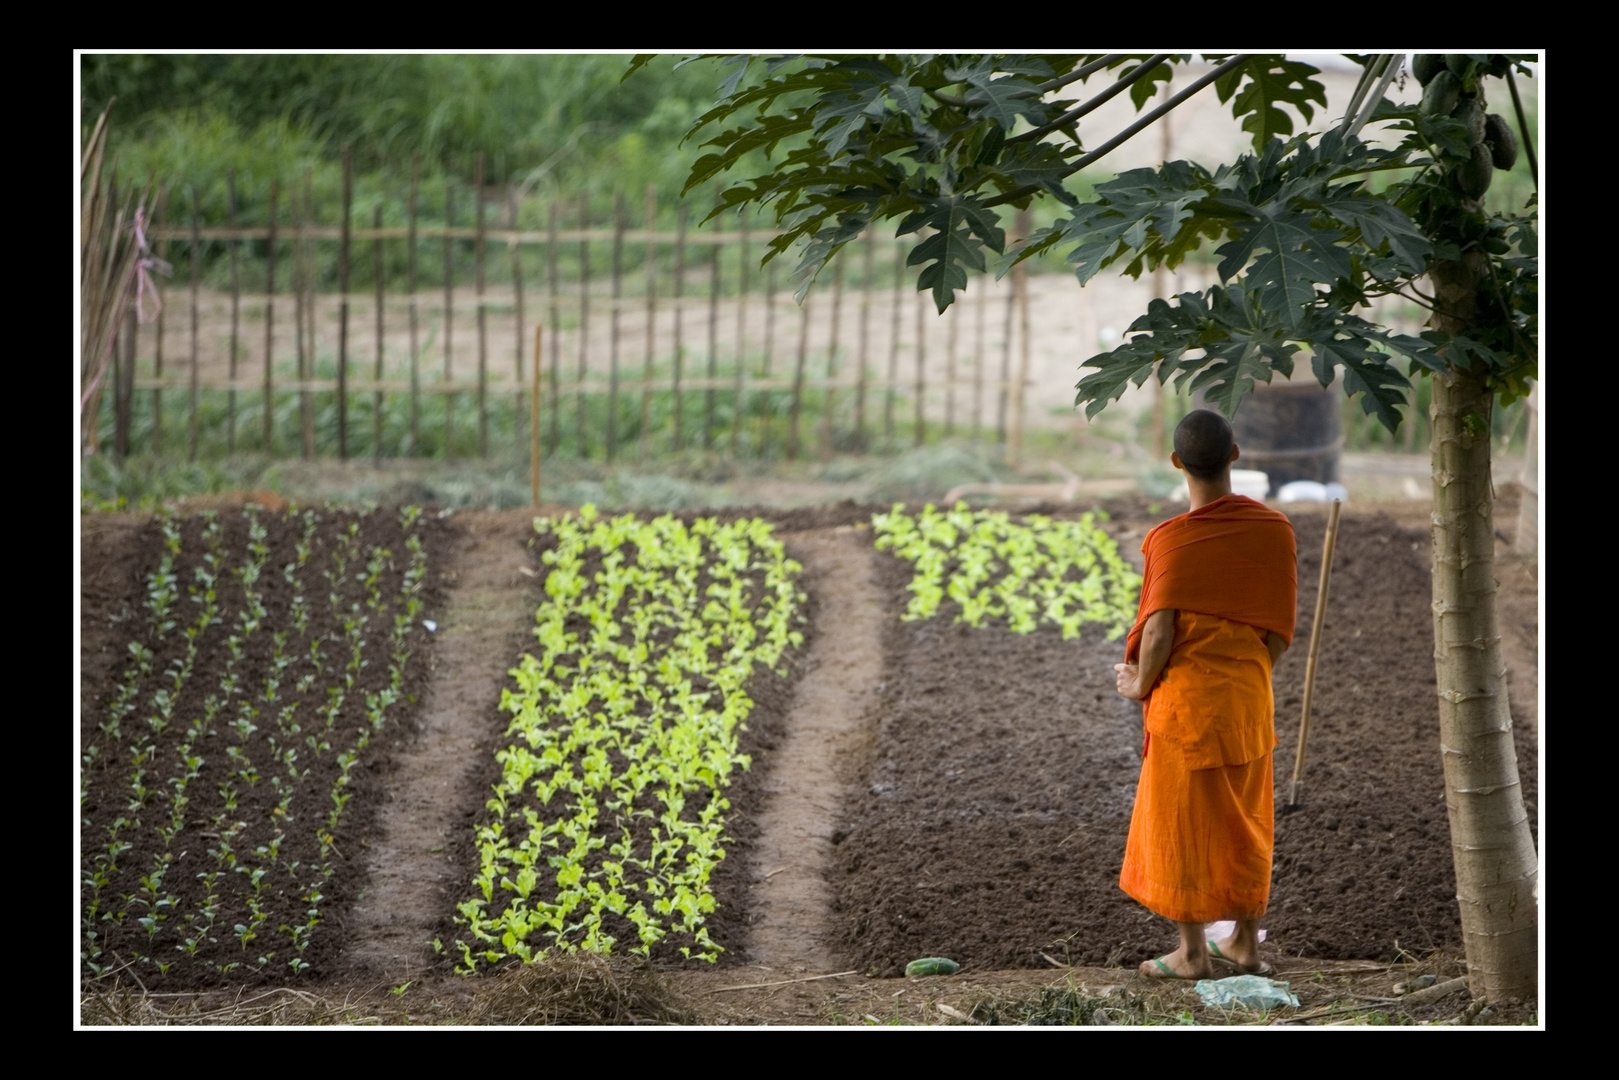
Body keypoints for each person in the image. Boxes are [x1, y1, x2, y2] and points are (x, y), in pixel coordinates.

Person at [1112, 408, 1298, 980]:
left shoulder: (1172, 540)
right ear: (1235, 455)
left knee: (1183, 824)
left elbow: (1161, 630)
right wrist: (1241, 673)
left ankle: (1191, 954)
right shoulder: (1273, 530)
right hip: (1248, 703)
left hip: (1187, 711)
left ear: (1176, 462)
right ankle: (1244, 943)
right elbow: (1276, 634)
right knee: (1246, 821)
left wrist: (1138, 684)